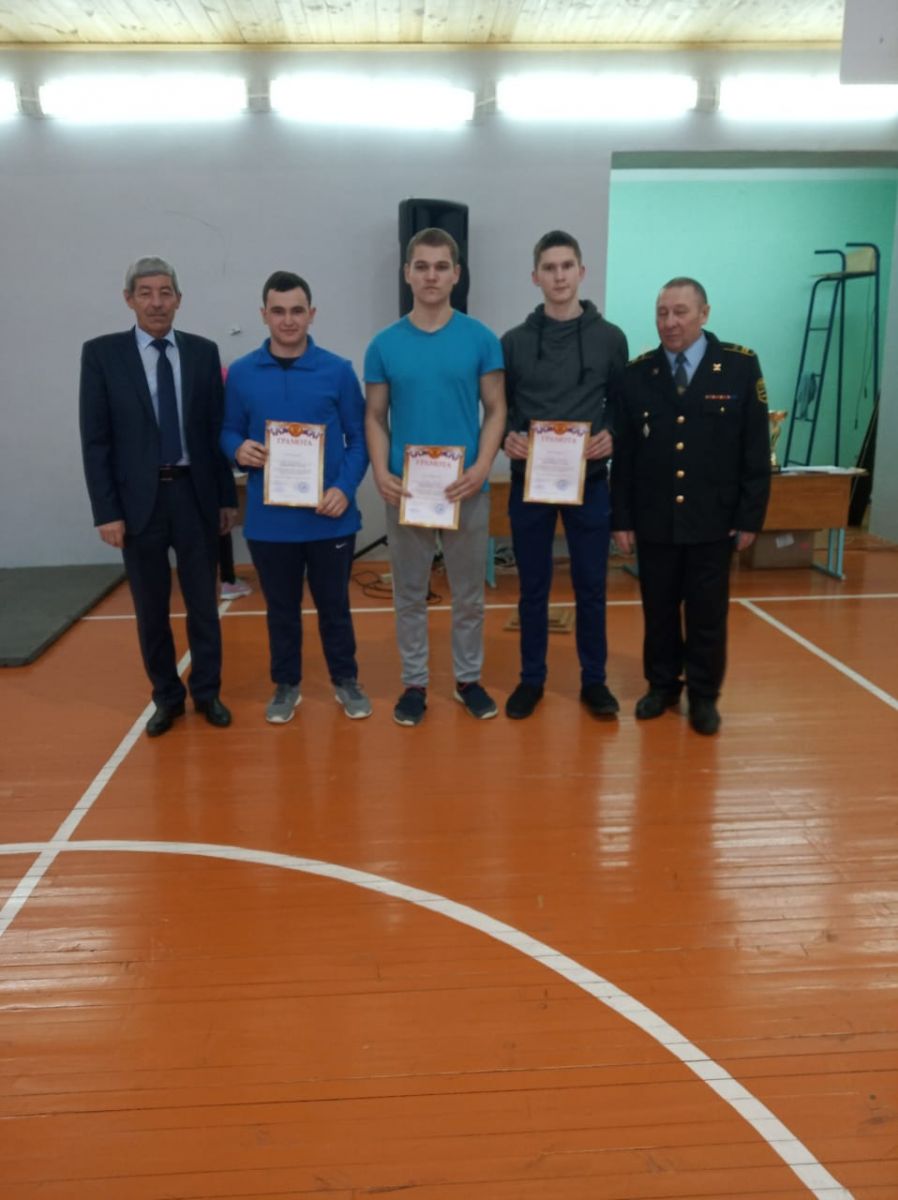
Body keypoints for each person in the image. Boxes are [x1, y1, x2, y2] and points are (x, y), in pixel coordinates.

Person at [79, 256, 237, 737]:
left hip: (195, 495)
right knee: (151, 609)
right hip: (137, 504)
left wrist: (226, 498)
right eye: (145, 293)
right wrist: (106, 511)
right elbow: (96, 441)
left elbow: (215, 431)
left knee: (203, 604)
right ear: (129, 299)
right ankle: (167, 697)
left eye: (165, 292)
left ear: (178, 300)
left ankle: (207, 692)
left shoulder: (203, 353)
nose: (156, 302)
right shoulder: (102, 355)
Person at [610, 277, 771, 735]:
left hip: (713, 519)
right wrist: (621, 519)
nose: (670, 322)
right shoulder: (638, 373)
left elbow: (755, 449)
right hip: (655, 518)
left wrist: (749, 517)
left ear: (704, 313)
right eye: (662, 313)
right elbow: (625, 457)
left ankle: (703, 695)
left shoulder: (738, 367)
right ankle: (662, 686)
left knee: (706, 614)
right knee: (658, 610)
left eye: (680, 312)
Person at [364, 228, 506, 726]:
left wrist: (482, 467)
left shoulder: (481, 339)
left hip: (466, 487)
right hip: (408, 490)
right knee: (409, 594)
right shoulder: (384, 345)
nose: (431, 276)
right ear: (407, 273)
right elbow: (374, 416)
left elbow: (496, 409)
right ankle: (415, 684)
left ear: (456, 274)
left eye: (441, 266)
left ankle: (468, 680)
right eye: (421, 266)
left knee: (469, 595)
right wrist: (380, 470)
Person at [221, 271, 371, 724]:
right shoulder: (242, 373)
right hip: (270, 522)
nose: (288, 320)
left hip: (330, 517)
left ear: (312, 314)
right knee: (281, 610)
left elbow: (360, 439)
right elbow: (227, 430)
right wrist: (237, 449)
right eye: (278, 311)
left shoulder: (338, 370)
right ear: (264, 314)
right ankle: (286, 685)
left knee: (335, 608)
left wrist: (344, 488)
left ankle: (346, 679)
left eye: (297, 311)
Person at [501, 230, 629, 720]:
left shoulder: (610, 338)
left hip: (590, 483)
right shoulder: (514, 342)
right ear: (535, 276)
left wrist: (612, 434)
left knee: (591, 586)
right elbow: (499, 407)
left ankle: (594, 681)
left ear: (581, 272)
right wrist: (508, 436)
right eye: (549, 268)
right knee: (532, 587)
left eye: (567, 266)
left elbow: (621, 404)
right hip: (529, 483)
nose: (559, 276)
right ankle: (531, 679)